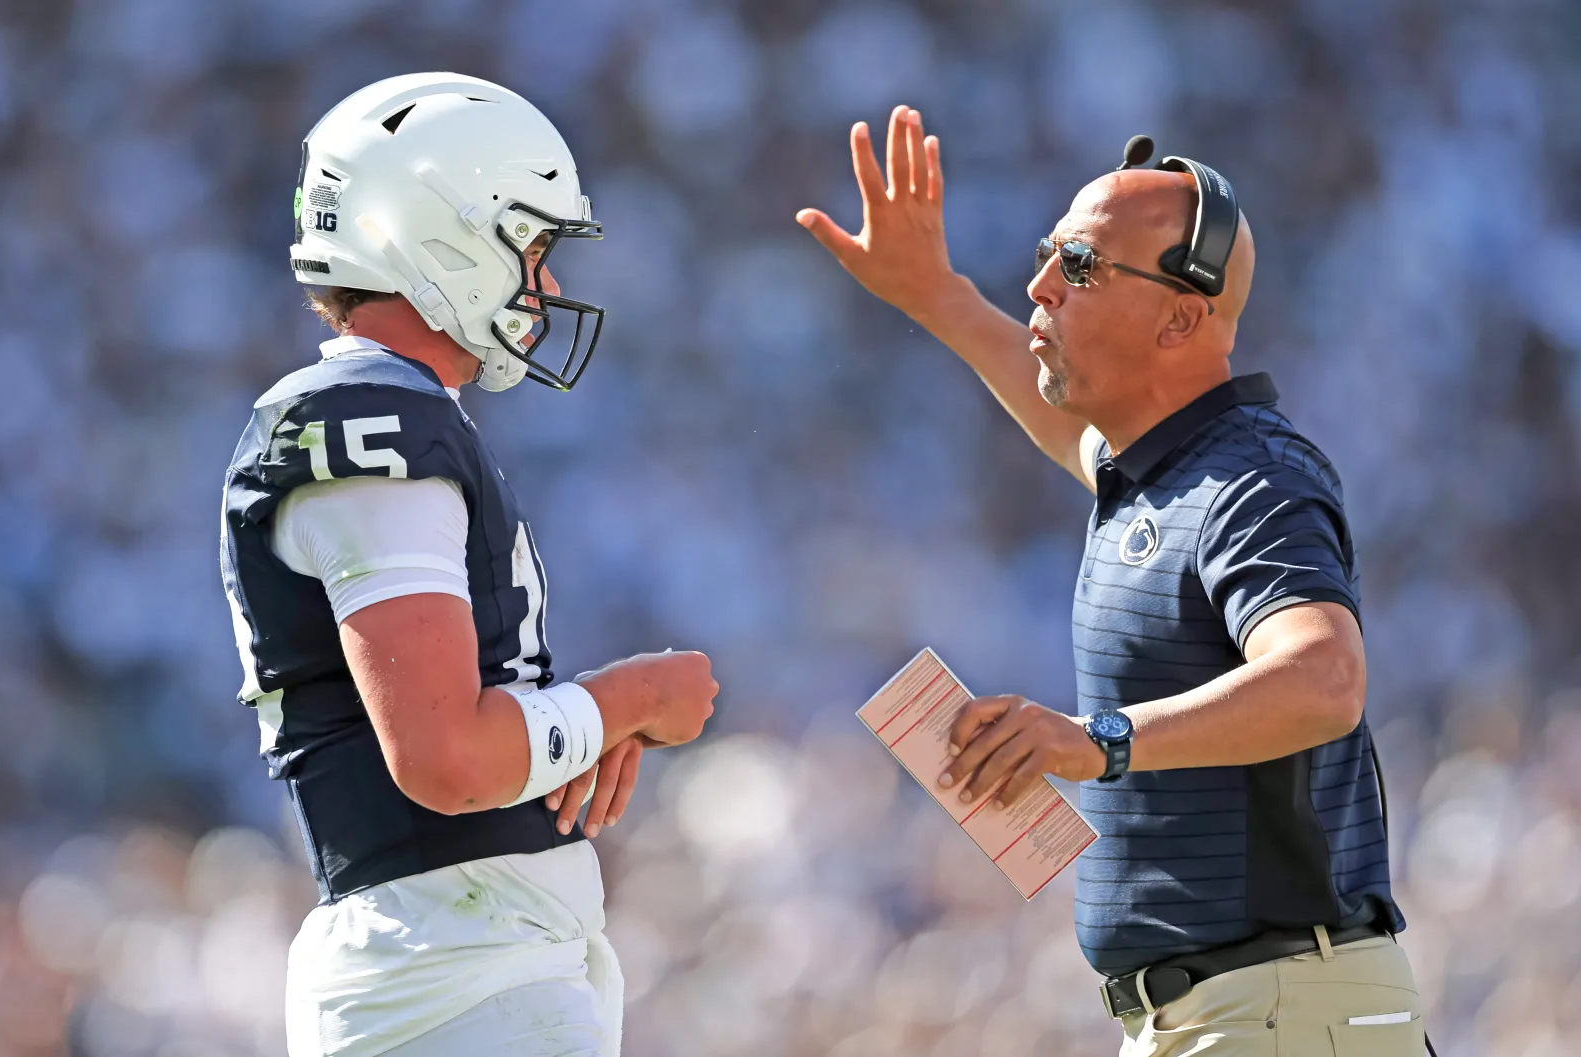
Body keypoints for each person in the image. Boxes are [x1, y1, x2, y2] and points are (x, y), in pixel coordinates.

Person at [798, 107, 1429, 1056]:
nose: (1041, 285)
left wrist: (1097, 740)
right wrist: (936, 293)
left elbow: (1324, 678)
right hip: (1236, 1012)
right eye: (1050, 254)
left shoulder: (1250, 475)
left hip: (1278, 1009)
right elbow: (1066, 425)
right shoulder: (1154, 471)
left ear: (1184, 314)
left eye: (1080, 266)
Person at [220, 73, 718, 1057]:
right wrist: (627, 697)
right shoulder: (365, 418)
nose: (548, 285)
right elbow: (446, 758)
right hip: (449, 968)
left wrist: (573, 725)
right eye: (531, 246)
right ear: (435, 232)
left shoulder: (393, 414)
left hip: (464, 961)